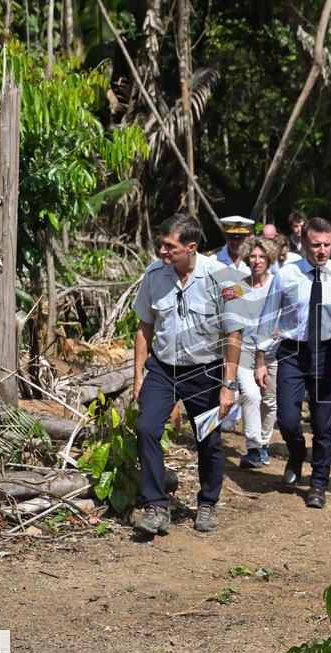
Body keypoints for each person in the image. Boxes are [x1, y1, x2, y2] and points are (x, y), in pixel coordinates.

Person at [131, 214, 244, 535]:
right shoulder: (153, 275)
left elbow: (235, 334)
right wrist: (139, 375)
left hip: (205, 373)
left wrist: (228, 385)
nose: (162, 251)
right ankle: (155, 506)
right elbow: (144, 327)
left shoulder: (225, 278)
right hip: (163, 370)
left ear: (191, 247)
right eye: (162, 244)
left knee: (207, 438)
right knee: (147, 428)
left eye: (170, 246)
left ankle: (207, 502)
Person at [270, 217, 331, 508]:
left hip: (328, 353)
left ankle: (319, 483)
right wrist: (259, 359)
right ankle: (296, 455)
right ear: (303, 243)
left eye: (327, 245)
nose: (322, 250)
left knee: (322, 425)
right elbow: (268, 317)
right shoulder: (285, 274)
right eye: (316, 244)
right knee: (287, 420)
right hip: (293, 352)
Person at [228, 236, 282, 469]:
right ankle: (253, 447)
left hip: (273, 350)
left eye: (262, 257)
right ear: (247, 258)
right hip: (245, 349)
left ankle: (265, 444)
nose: (257, 261)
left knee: (269, 401)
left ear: (269, 259)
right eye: (253, 256)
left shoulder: (277, 283)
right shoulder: (238, 286)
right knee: (250, 395)